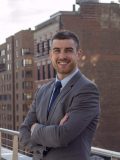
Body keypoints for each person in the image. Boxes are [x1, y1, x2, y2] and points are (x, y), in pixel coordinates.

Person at [19, 30, 100, 160]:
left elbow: (61, 136)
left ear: (78, 54)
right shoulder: (43, 90)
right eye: (57, 50)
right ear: (51, 55)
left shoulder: (87, 90)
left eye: (68, 50)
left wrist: (35, 128)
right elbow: (23, 132)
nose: (62, 56)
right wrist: (45, 143)